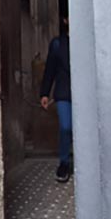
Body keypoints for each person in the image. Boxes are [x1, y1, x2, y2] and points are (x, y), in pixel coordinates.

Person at [40, 16, 72, 182]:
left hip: (87, 93)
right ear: (65, 20)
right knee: (66, 127)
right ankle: (64, 163)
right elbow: (50, 69)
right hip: (63, 92)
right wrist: (44, 93)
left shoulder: (89, 41)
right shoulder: (57, 44)